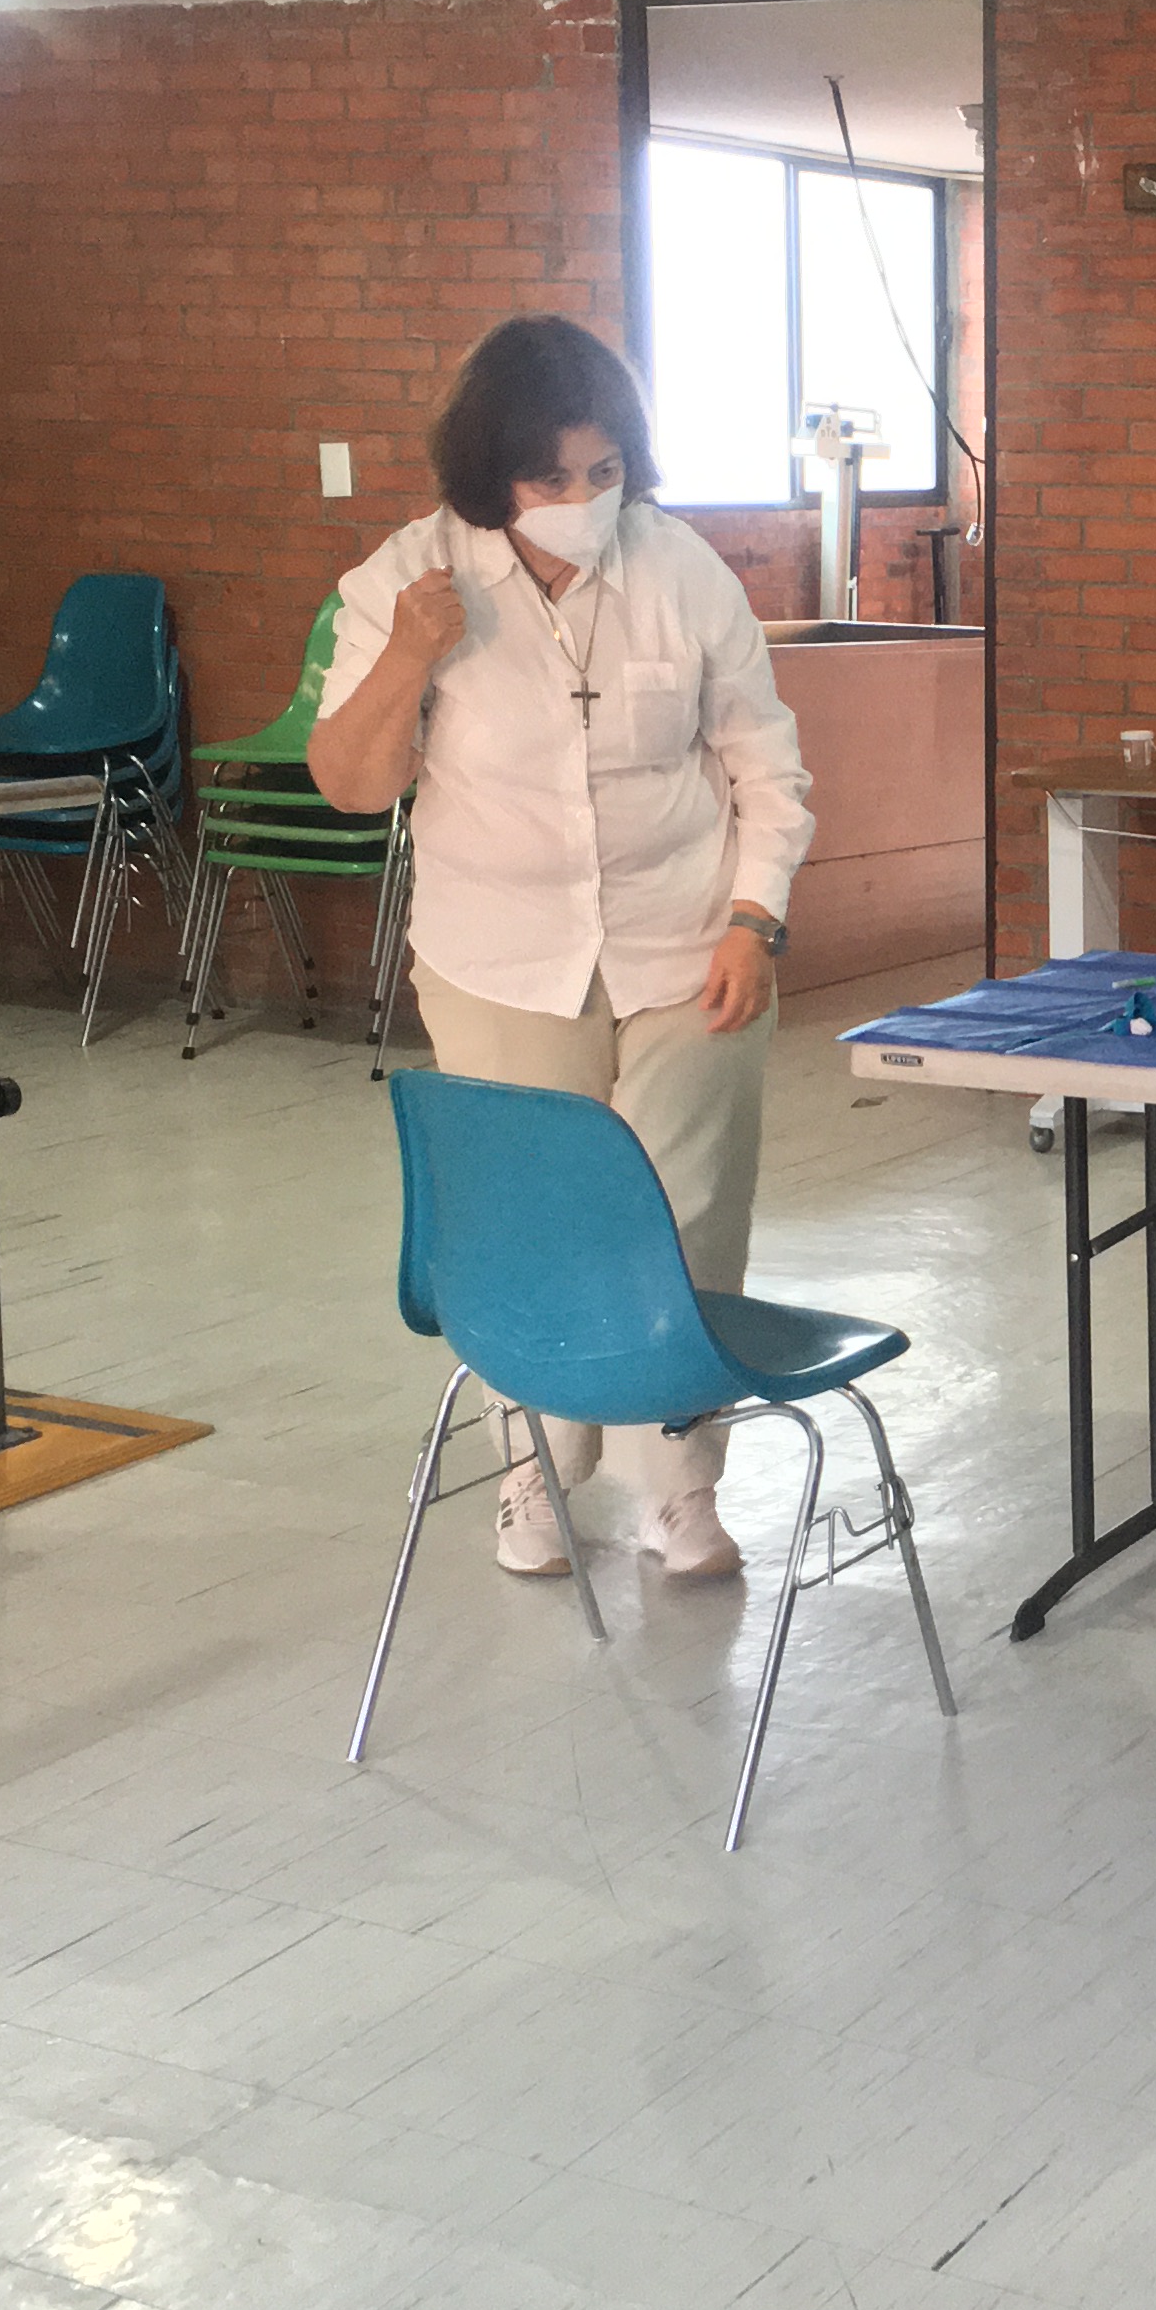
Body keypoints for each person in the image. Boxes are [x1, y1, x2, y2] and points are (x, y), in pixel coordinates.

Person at [310, 315, 813, 1584]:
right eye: (551, 478)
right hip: (499, 953)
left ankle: (678, 1485)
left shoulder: (682, 568)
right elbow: (352, 784)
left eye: (606, 472)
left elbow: (766, 762)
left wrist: (755, 918)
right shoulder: (409, 578)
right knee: (537, 1221)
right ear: (490, 477)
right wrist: (410, 658)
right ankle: (535, 1465)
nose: (585, 502)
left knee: (688, 1214)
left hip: (688, 941)